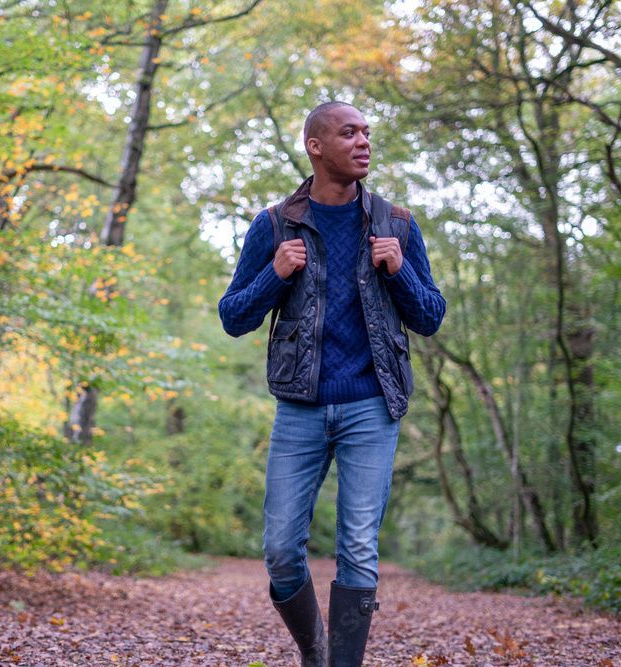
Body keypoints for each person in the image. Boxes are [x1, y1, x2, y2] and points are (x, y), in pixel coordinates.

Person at [217, 101, 446, 666]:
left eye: (367, 132)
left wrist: (401, 271)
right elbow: (233, 316)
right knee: (280, 553)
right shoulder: (274, 225)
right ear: (316, 146)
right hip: (300, 407)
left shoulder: (398, 223)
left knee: (359, 551)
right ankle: (317, 653)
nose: (364, 141)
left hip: (373, 405)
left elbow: (431, 316)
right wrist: (275, 273)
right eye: (349, 133)